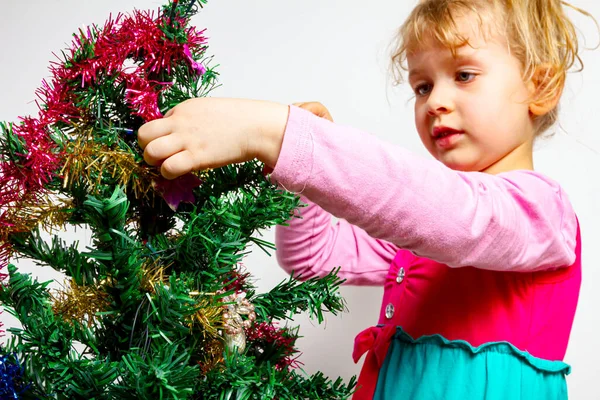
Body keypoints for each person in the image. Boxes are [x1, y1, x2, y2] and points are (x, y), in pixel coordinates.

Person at [138, 0, 593, 398]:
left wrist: (282, 136)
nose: (436, 101)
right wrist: (301, 180)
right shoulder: (417, 244)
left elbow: (458, 217)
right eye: (423, 86)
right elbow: (310, 257)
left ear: (540, 86)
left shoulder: (540, 210)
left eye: (464, 74)